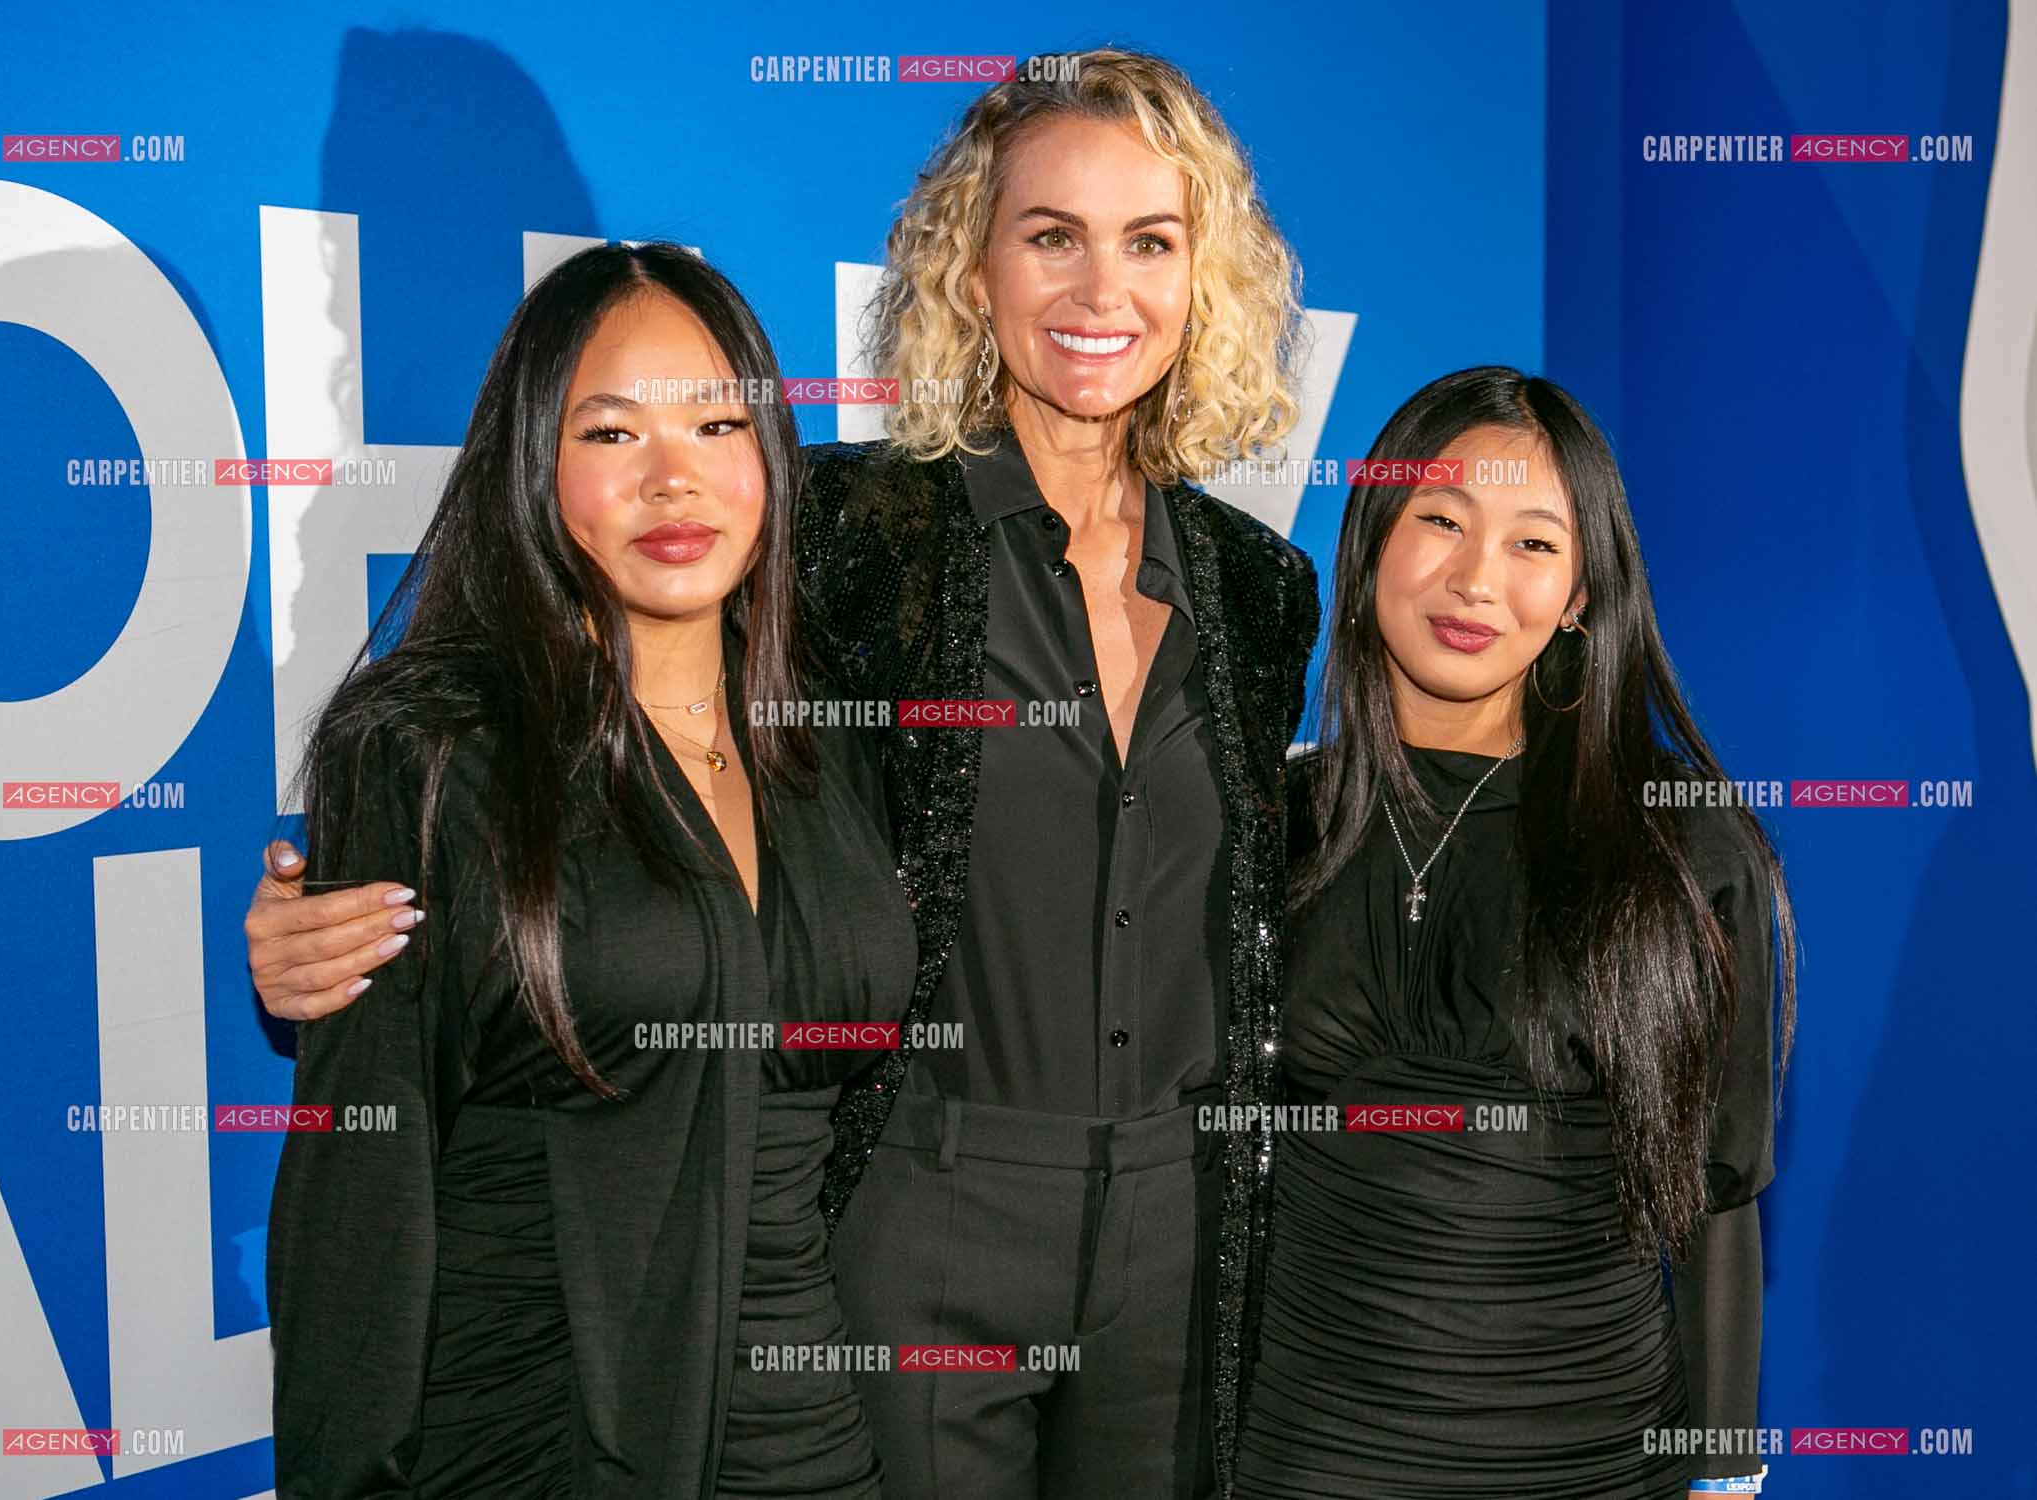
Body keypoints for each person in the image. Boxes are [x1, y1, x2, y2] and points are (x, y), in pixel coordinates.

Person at [249, 48, 1320, 1500]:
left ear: (1210, 277)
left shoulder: (1262, 588)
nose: (1097, 291)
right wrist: (318, 934)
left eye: (1149, 240)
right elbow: (609, 765)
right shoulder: (843, 535)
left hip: (1175, 1242)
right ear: (972, 264)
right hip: (911, 1218)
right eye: (1048, 235)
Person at [266, 241, 914, 1498]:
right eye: (612, 435)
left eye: (719, 424)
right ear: (534, 470)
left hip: (807, 1438)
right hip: (535, 1425)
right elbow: (361, 1183)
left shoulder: (833, 748)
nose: (677, 479)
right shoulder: (429, 747)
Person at [1231, 367, 1796, 1500]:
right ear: (1372, 543)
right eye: (1440, 519)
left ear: (1585, 593)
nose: (1475, 579)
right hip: (1304, 1453)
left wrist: (1727, 1478)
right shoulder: (1260, 825)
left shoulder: (1680, 851)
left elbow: (1718, 1197)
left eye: (1534, 544)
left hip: (1595, 1458)